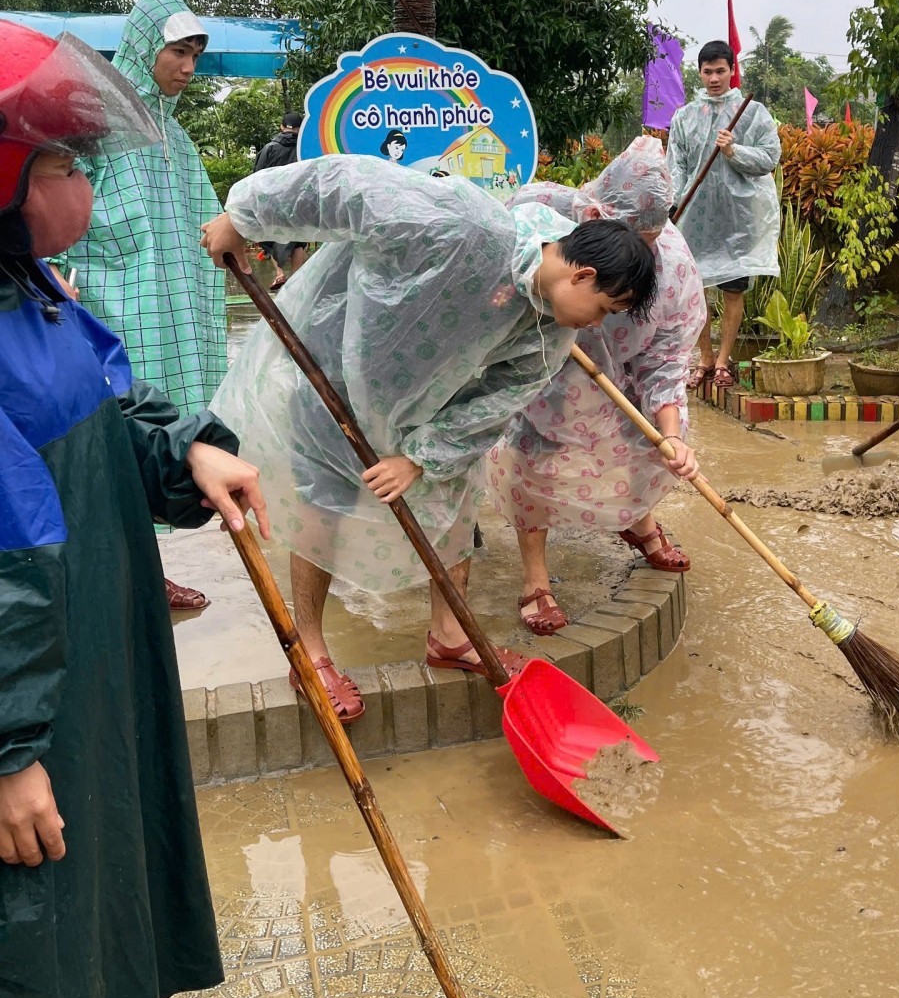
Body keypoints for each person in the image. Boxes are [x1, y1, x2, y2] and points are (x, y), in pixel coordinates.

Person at [0, 24, 269, 998]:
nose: (83, 186)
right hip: (35, 715)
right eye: (62, 166)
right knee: (39, 956)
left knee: (101, 912)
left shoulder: (38, 290)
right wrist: (11, 751)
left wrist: (188, 446)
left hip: (95, 677)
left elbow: (113, 398)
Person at [202, 155, 657, 721]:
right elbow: (345, 184)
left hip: (423, 412)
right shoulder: (465, 226)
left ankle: (449, 635)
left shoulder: (550, 333)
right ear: (582, 275)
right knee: (326, 501)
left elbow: (493, 405)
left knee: (452, 503)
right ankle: (311, 651)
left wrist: (420, 458)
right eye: (603, 309)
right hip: (332, 368)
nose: (595, 325)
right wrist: (244, 218)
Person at [488, 137, 706, 633]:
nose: (635, 256)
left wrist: (670, 432)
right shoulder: (539, 209)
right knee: (534, 452)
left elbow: (668, 359)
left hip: (621, 372)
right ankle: (535, 578)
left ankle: (638, 520)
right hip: (545, 361)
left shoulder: (673, 269)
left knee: (642, 440)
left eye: (645, 245)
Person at [64, 0, 225, 610]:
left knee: (157, 436)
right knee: (110, 439)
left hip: (169, 317)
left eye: (195, 56)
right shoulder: (100, 125)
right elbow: (57, 207)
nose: (188, 68)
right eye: (178, 53)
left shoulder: (175, 139)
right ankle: (111, 578)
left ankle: (142, 574)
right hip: (107, 310)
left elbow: (205, 216)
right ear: (144, 48)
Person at [666, 38, 780, 389]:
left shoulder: (753, 112)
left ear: (732, 70)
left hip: (738, 220)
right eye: (707, 71)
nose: (714, 78)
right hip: (695, 220)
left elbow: (769, 158)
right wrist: (675, 201)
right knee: (696, 291)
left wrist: (734, 150)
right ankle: (702, 357)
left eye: (720, 70)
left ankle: (722, 361)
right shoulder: (685, 117)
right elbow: (677, 166)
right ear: (699, 73)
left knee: (733, 291)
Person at [253, 111, 309, 289]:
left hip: (274, 201)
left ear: (282, 126)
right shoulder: (305, 148)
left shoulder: (270, 148)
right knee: (298, 240)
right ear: (300, 129)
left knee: (273, 236)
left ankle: (280, 274)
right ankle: (298, 278)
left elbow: (257, 175)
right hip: (298, 200)